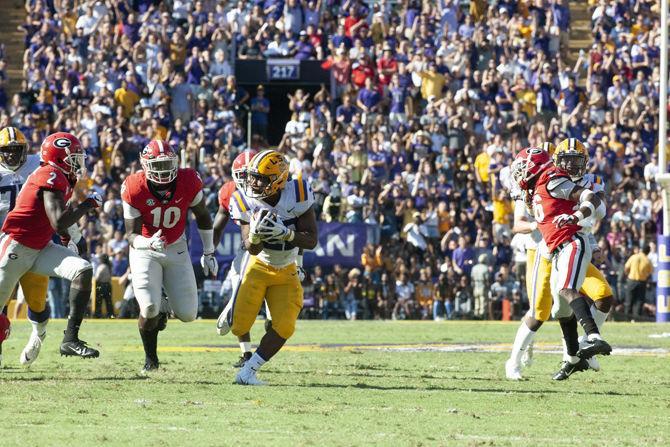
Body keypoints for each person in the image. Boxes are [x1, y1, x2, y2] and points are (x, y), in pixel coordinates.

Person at [511, 146, 611, 381]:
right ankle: (574, 358)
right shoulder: (533, 189)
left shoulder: (551, 179)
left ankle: (593, 338)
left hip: (570, 243)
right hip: (552, 250)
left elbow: (591, 200)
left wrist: (575, 217)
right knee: (558, 309)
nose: (519, 173)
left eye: (523, 167)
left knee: (571, 291)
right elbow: (520, 221)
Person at [0, 132, 101, 363]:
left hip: (40, 246)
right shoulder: (50, 173)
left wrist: (72, 236)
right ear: (58, 157)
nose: (77, 162)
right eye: (73, 157)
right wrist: (88, 204)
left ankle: (70, 340)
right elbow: (57, 220)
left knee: (83, 270)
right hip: (15, 247)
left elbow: (57, 218)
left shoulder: (60, 175)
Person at [121, 139, 217, 373]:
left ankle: (166, 307)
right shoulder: (134, 186)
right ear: (145, 165)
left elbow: (203, 216)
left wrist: (208, 250)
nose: (164, 171)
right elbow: (131, 235)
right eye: (159, 166)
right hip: (146, 250)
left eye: (167, 165)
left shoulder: (188, 180)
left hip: (176, 246)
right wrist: (147, 243)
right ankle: (151, 359)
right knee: (150, 308)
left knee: (187, 314)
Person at [227, 150, 317, 385]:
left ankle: (248, 372)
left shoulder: (298, 193)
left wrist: (287, 234)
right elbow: (250, 247)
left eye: (260, 179)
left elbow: (311, 240)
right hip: (258, 264)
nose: (254, 183)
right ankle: (231, 307)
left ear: (278, 180)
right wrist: (255, 237)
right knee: (238, 325)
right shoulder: (244, 198)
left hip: (286, 266)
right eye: (253, 177)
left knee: (285, 325)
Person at [624, 244, 653, 319]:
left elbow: (626, 268)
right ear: (648, 252)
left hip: (631, 281)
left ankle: (627, 318)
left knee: (629, 300)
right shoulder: (647, 260)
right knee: (639, 302)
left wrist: (628, 275)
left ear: (641, 249)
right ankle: (636, 319)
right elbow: (650, 272)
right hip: (642, 282)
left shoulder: (634, 257)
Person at [94, 254, 113, 318]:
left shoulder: (101, 267)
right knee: (108, 302)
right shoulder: (109, 266)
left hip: (101, 285)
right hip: (108, 285)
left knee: (99, 301)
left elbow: (97, 277)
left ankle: (98, 315)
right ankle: (110, 315)